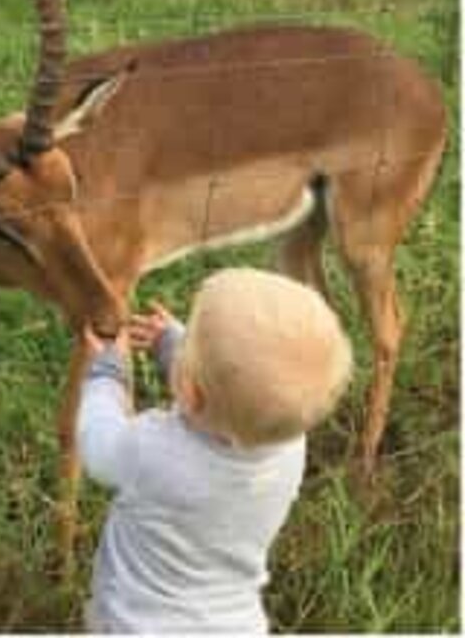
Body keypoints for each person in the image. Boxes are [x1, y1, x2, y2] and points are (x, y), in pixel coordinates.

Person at [78, 267, 353, 633]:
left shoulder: (156, 452)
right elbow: (227, 391)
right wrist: (173, 345)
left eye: (190, 340)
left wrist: (105, 376)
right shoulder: (289, 445)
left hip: (133, 622)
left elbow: (99, 446)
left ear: (190, 391)